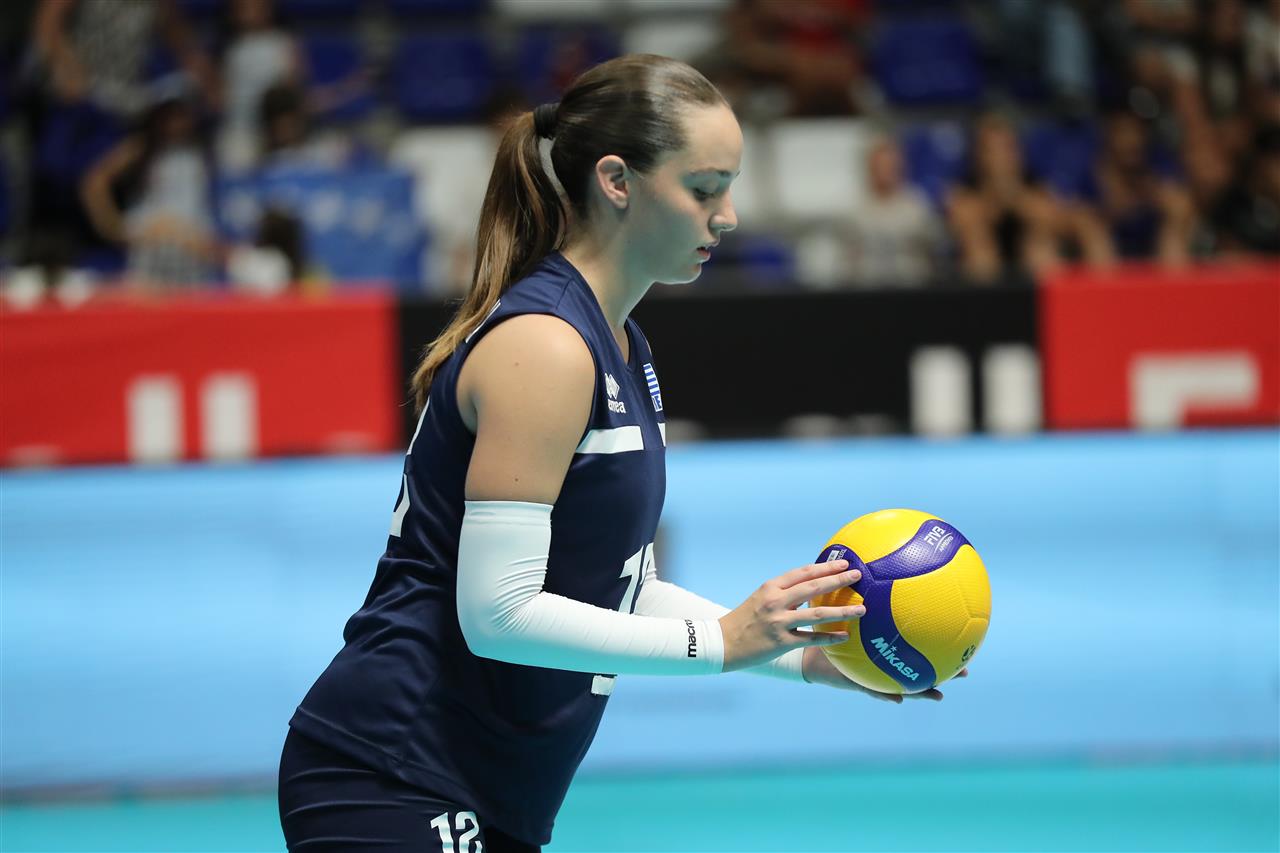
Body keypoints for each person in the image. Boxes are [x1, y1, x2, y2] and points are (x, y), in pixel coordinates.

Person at [278, 54, 960, 853]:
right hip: (392, 768)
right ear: (616, 181)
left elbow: (622, 590)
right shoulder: (546, 347)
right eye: (704, 188)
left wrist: (803, 655)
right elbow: (498, 613)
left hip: (487, 787)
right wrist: (723, 641)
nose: (728, 215)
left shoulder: (624, 345)